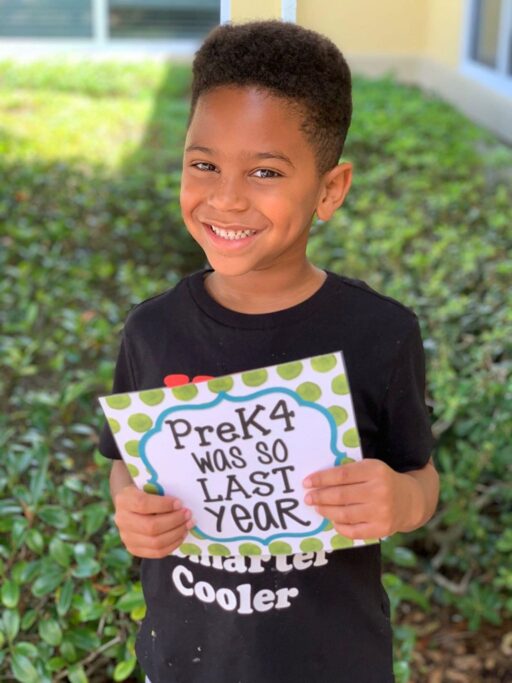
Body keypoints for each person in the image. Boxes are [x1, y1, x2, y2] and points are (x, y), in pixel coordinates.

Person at [98, 19, 439, 683]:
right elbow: (123, 463)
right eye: (204, 164)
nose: (226, 197)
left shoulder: (380, 334)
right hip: (182, 658)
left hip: (333, 662)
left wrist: (399, 501)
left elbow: (421, 477)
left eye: (264, 170)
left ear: (329, 190)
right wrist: (130, 508)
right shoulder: (151, 331)